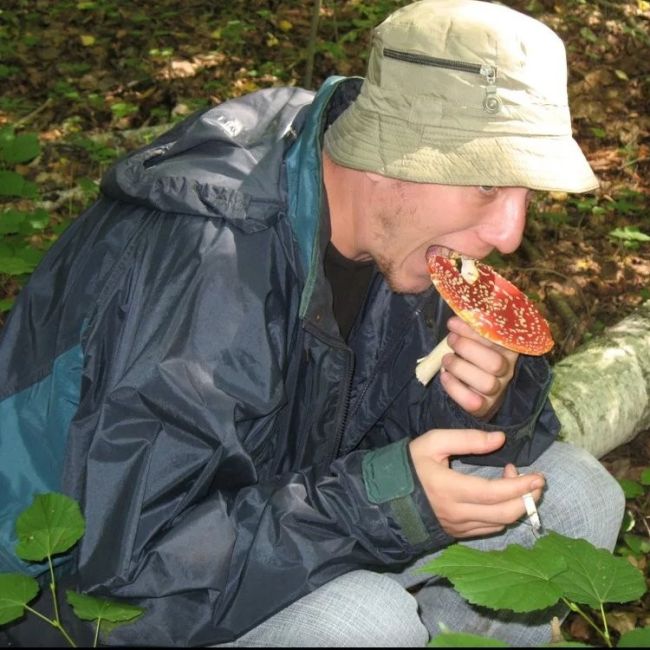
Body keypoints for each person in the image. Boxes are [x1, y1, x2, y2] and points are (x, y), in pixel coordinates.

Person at [0, 0, 625, 646]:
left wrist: (482, 399)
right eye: (489, 187)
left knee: (578, 497)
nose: (510, 232)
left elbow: (396, 444)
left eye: (526, 194)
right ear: (392, 156)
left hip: (272, 540)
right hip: (68, 607)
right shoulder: (207, 261)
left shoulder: (405, 238)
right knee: (363, 621)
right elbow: (129, 574)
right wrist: (379, 503)